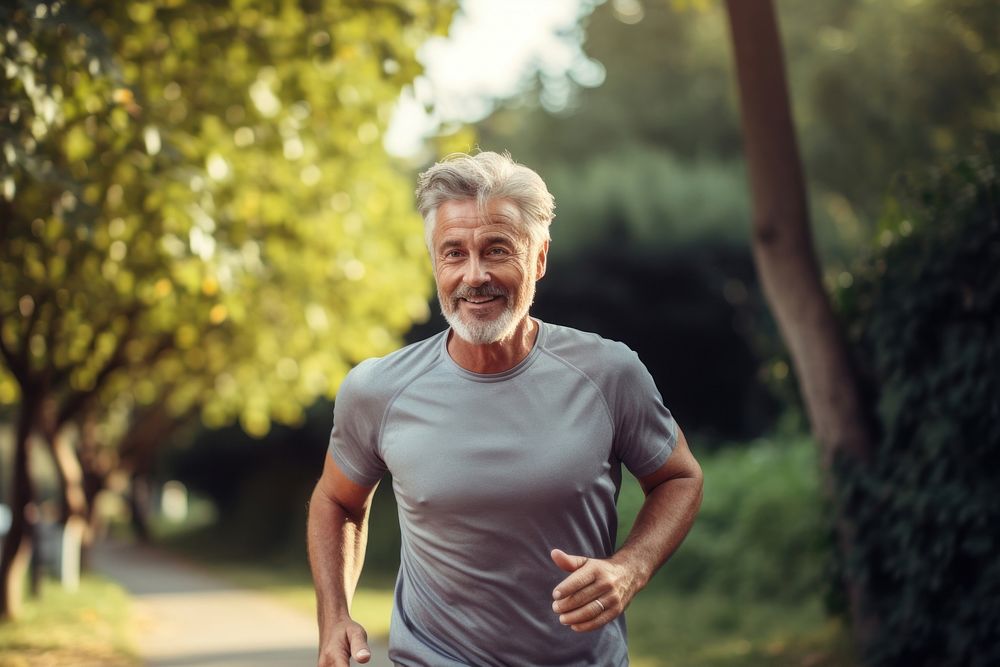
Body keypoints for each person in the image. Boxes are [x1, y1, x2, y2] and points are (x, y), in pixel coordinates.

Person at [308, 151, 703, 667]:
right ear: (435, 263)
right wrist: (334, 617)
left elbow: (679, 478)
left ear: (539, 257)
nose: (475, 276)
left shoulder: (608, 373)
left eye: (497, 250)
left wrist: (631, 567)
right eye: (453, 253)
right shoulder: (378, 389)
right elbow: (336, 501)